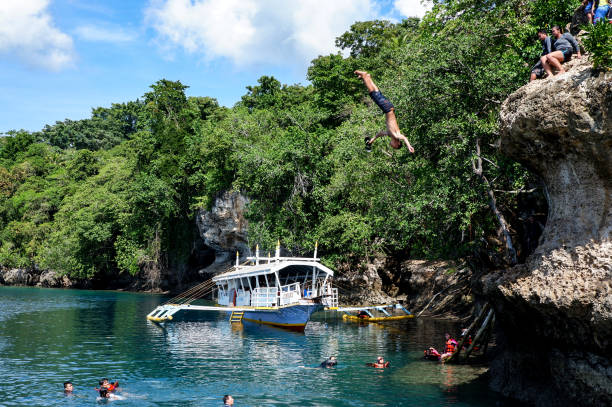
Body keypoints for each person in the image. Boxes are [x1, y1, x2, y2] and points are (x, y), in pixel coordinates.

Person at [354, 70, 415, 154]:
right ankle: (364, 75)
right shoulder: (396, 135)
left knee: (376, 93)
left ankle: (368, 77)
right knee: (372, 93)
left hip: (388, 107)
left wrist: (372, 141)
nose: (392, 146)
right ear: (398, 143)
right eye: (395, 147)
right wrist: (409, 146)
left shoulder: (390, 134)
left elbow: (380, 134)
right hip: (387, 108)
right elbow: (404, 138)